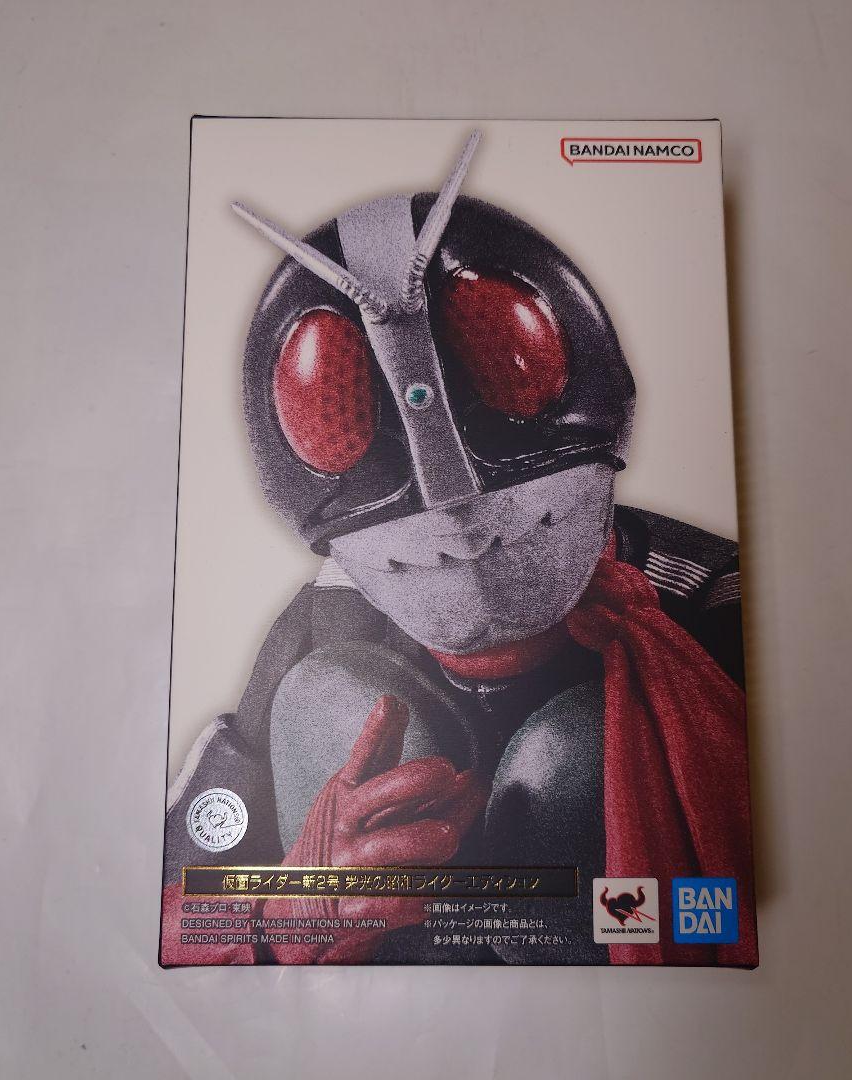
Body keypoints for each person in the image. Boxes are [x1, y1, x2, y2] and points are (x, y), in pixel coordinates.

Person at [161, 132, 756, 967]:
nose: (455, 518)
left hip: (626, 1005)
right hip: (382, 1011)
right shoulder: (330, 616)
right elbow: (174, 892)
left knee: (576, 758)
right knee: (329, 698)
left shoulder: (713, 594)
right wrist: (284, 910)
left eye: (508, 363)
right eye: (334, 409)